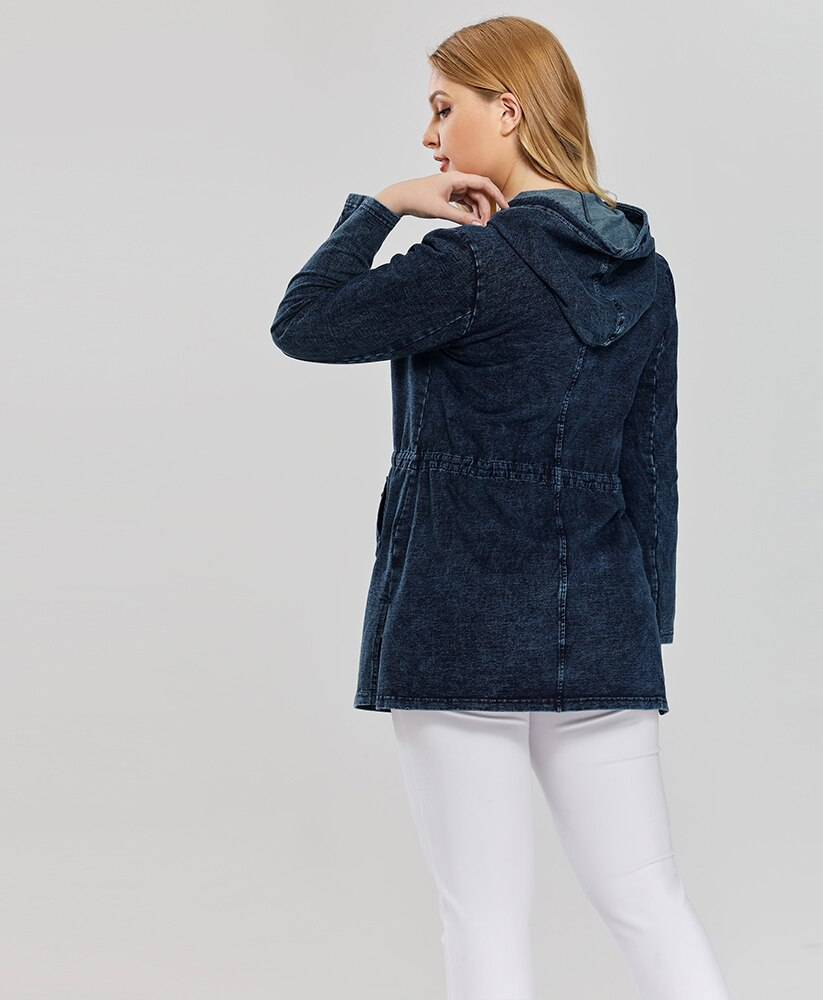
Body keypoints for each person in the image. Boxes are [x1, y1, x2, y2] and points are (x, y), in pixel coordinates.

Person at [270, 14, 732, 1000]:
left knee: (482, 915)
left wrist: (383, 206)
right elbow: (651, 466)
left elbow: (303, 323)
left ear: (509, 110)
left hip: (459, 613)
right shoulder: (647, 275)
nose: (429, 135)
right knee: (651, 903)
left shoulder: (468, 264)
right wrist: (641, 625)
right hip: (602, 622)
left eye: (444, 108)